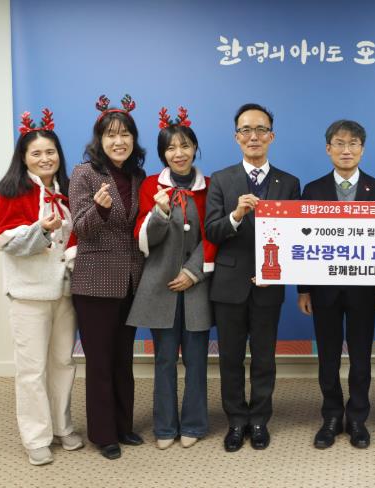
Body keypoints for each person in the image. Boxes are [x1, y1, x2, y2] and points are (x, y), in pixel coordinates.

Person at [205, 103, 300, 451]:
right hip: (229, 285)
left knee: (264, 358)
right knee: (230, 359)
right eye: (246, 130)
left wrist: (275, 270)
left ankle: (259, 419)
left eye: (261, 129)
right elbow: (212, 231)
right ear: (237, 137)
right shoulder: (221, 179)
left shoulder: (289, 183)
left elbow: (295, 236)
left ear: (271, 136)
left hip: (269, 284)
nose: (253, 136)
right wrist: (236, 215)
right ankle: (235, 421)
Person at [0, 110, 83, 465]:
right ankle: (36, 436)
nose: (45, 158)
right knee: (32, 370)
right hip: (28, 294)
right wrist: (40, 230)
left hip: (64, 292)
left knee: (63, 362)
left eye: (51, 152)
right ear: (24, 157)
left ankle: (62, 426)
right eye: (37, 153)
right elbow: (2, 241)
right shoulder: (10, 192)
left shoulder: (68, 191)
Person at [296, 120, 375, 449]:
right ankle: (332, 416)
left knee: (361, 356)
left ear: (362, 149)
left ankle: (358, 418)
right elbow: (302, 242)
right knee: (328, 356)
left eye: (353, 144)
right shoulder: (312, 190)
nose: (346, 150)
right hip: (323, 289)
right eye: (339, 143)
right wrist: (303, 289)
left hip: (365, 289)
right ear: (328, 149)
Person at [127, 107, 216, 450]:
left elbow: (213, 235)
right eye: (170, 148)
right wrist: (160, 211)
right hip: (159, 286)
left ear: (195, 148)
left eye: (185, 146)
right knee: (164, 360)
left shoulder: (210, 188)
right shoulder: (151, 185)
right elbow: (144, 239)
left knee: (196, 360)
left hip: (196, 287)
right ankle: (164, 427)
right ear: (163, 153)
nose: (179, 153)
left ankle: (194, 423)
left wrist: (193, 272)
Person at [68, 95, 146, 460]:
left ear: (133, 139)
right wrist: (98, 209)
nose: (119, 141)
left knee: (123, 359)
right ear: (99, 140)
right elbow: (80, 229)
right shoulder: (84, 174)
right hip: (94, 282)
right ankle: (104, 434)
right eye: (111, 135)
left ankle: (124, 425)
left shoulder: (138, 176)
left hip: (131, 280)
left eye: (125, 134)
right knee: (99, 361)